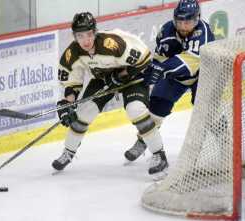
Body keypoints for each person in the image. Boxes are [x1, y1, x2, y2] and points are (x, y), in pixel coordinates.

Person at [52, 12, 168, 175]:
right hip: (103, 79)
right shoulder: (72, 54)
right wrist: (67, 103)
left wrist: (121, 75)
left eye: (89, 34)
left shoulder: (112, 43)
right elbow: (73, 83)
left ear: (95, 32)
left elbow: (144, 59)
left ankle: (159, 155)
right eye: (80, 36)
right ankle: (68, 152)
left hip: (132, 76)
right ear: (74, 36)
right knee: (84, 112)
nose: (85, 40)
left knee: (136, 110)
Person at [127, 0, 215, 162]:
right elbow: (159, 58)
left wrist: (163, 69)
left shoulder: (203, 32)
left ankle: (223, 136)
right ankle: (143, 140)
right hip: (175, 76)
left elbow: (192, 61)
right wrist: (151, 70)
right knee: (157, 106)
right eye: (179, 21)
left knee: (207, 113)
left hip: (204, 74)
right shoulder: (167, 30)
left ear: (196, 19)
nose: (182, 26)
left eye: (187, 22)